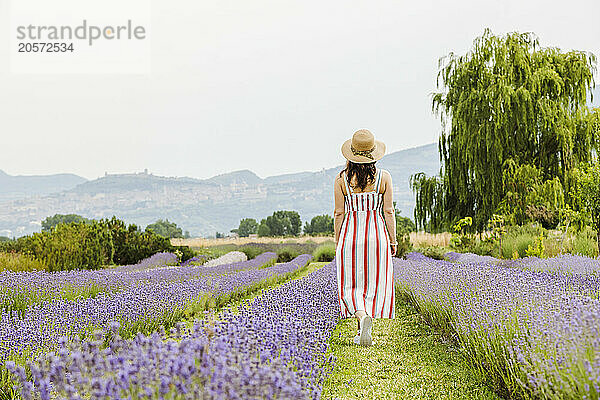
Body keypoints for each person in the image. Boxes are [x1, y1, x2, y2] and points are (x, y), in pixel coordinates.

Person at [333, 129, 397, 346]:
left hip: (350, 236)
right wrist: (393, 240)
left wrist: (337, 240)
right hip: (377, 236)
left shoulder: (341, 180)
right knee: (374, 281)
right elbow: (388, 211)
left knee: (350, 283)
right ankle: (365, 323)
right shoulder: (384, 178)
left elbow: (339, 213)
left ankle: (361, 317)